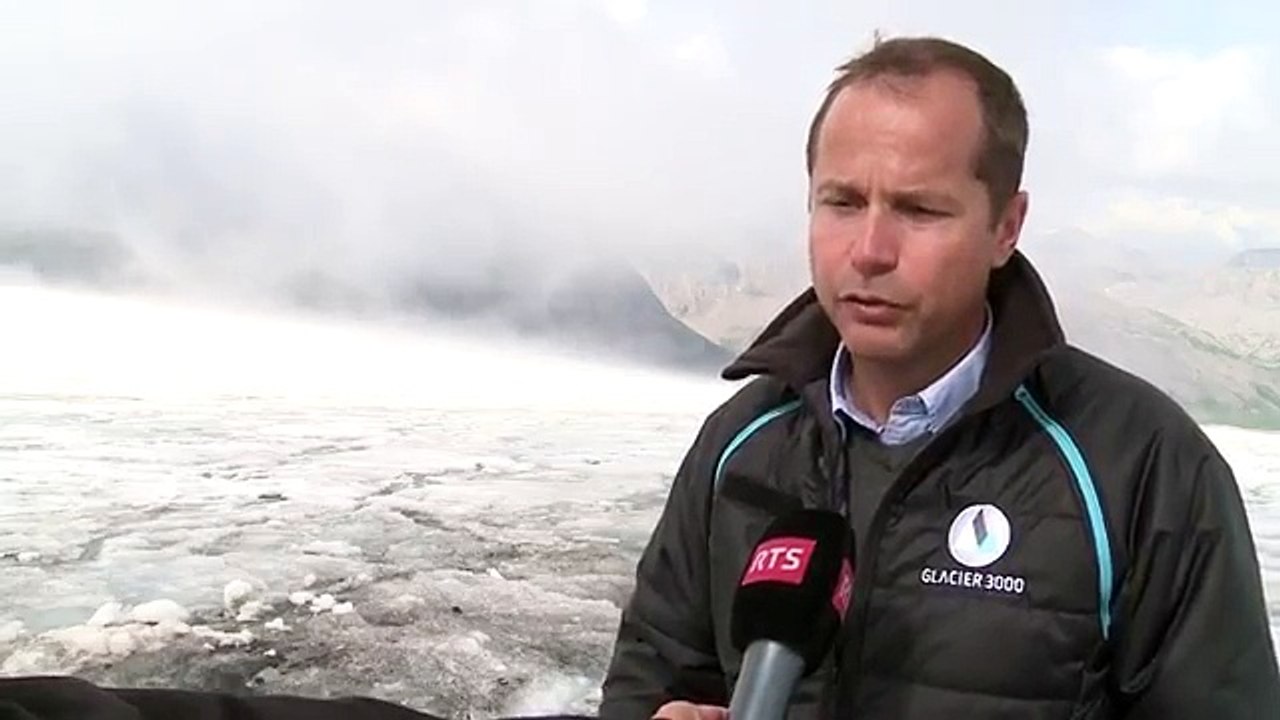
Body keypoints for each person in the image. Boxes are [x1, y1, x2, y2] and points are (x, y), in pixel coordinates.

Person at [597, 35, 1280, 719]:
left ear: (1005, 227)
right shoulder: (741, 442)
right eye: (841, 202)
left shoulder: (1141, 466)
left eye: (918, 210)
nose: (869, 251)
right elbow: (646, 683)